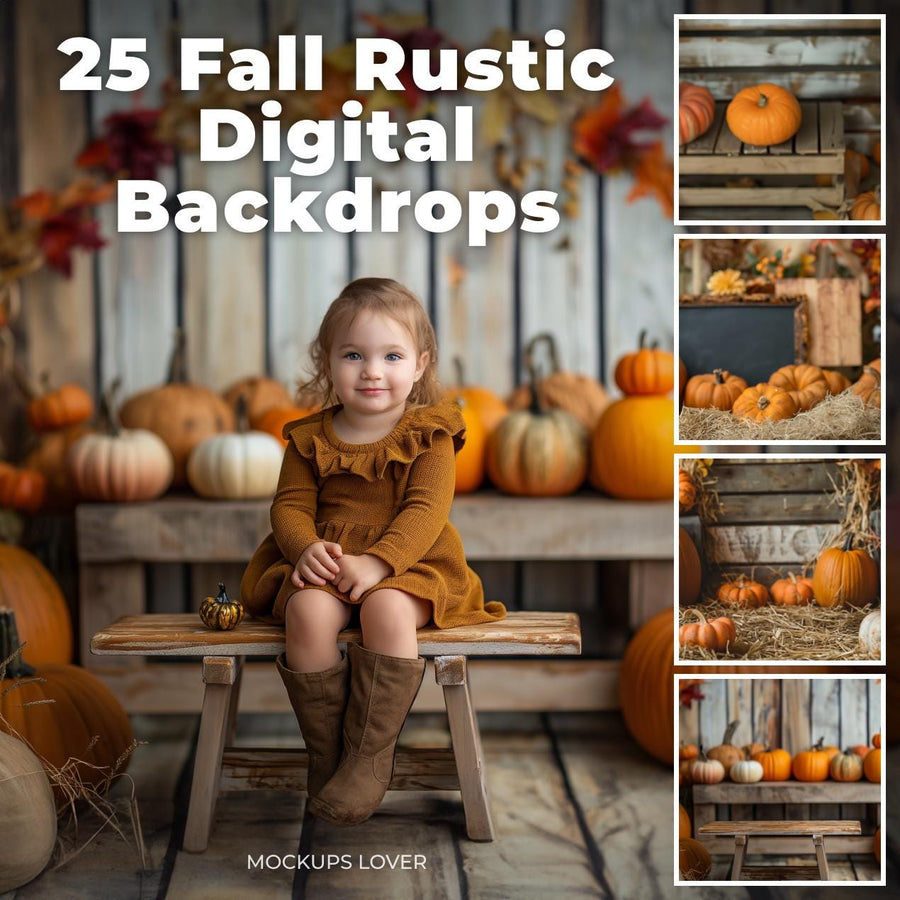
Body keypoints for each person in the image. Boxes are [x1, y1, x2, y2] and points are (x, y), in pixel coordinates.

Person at [241, 277, 506, 826]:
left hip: (412, 561)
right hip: (332, 559)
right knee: (307, 612)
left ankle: (368, 758)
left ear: (419, 365)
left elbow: (426, 511)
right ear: (328, 361)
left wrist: (380, 563)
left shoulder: (430, 433)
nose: (372, 370)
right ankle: (327, 755)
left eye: (391, 355)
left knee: (386, 609)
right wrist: (307, 548)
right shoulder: (307, 437)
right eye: (354, 355)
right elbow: (288, 507)